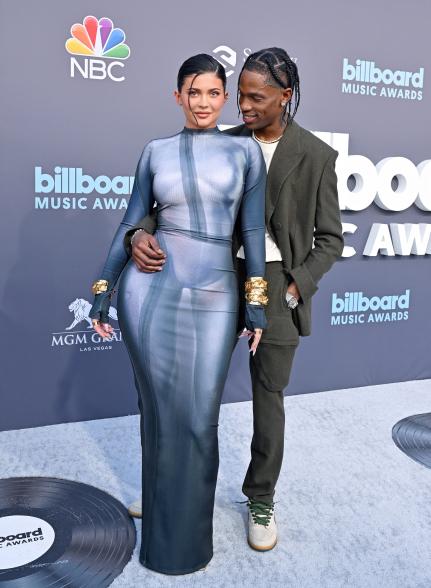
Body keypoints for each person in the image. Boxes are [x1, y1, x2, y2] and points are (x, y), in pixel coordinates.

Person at [124, 47, 344, 552]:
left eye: (255, 97)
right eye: (239, 95)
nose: (241, 106)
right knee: (183, 391)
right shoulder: (222, 142)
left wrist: (294, 285)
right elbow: (165, 205)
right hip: (216, 276)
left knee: (268, 396)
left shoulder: (316, 156)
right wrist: (139, 231)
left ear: (285, 97)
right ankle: (167, 487)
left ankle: (260, 497)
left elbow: (330, 238)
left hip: (276, 282)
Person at [88, 54, 267, 575]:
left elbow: (251, 234)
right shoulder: (155, 152)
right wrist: (103, 288)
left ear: (225, 97)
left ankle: (190, 540)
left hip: (216, 295)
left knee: (198, 421)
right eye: (194, 93)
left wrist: (256, 302)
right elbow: (131, 220)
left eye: (214, 93)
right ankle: (162, 538)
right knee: (163, 417)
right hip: (150, 292)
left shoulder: (245, 154)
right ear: (177, 96)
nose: (204, 103)